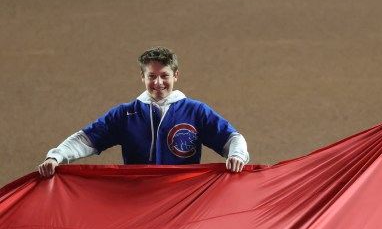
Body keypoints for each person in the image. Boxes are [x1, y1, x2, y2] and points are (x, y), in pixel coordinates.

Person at [38, 46, 249, 177]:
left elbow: (232, 138)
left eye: (164, 75)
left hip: (183, 201)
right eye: (151, 76)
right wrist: (55, 157)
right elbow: (85, 140)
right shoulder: (125, 115)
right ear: (142, 77)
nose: (158, 82)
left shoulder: (196, 112)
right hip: (136, 201)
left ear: (176, 76)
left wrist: (237, 155)